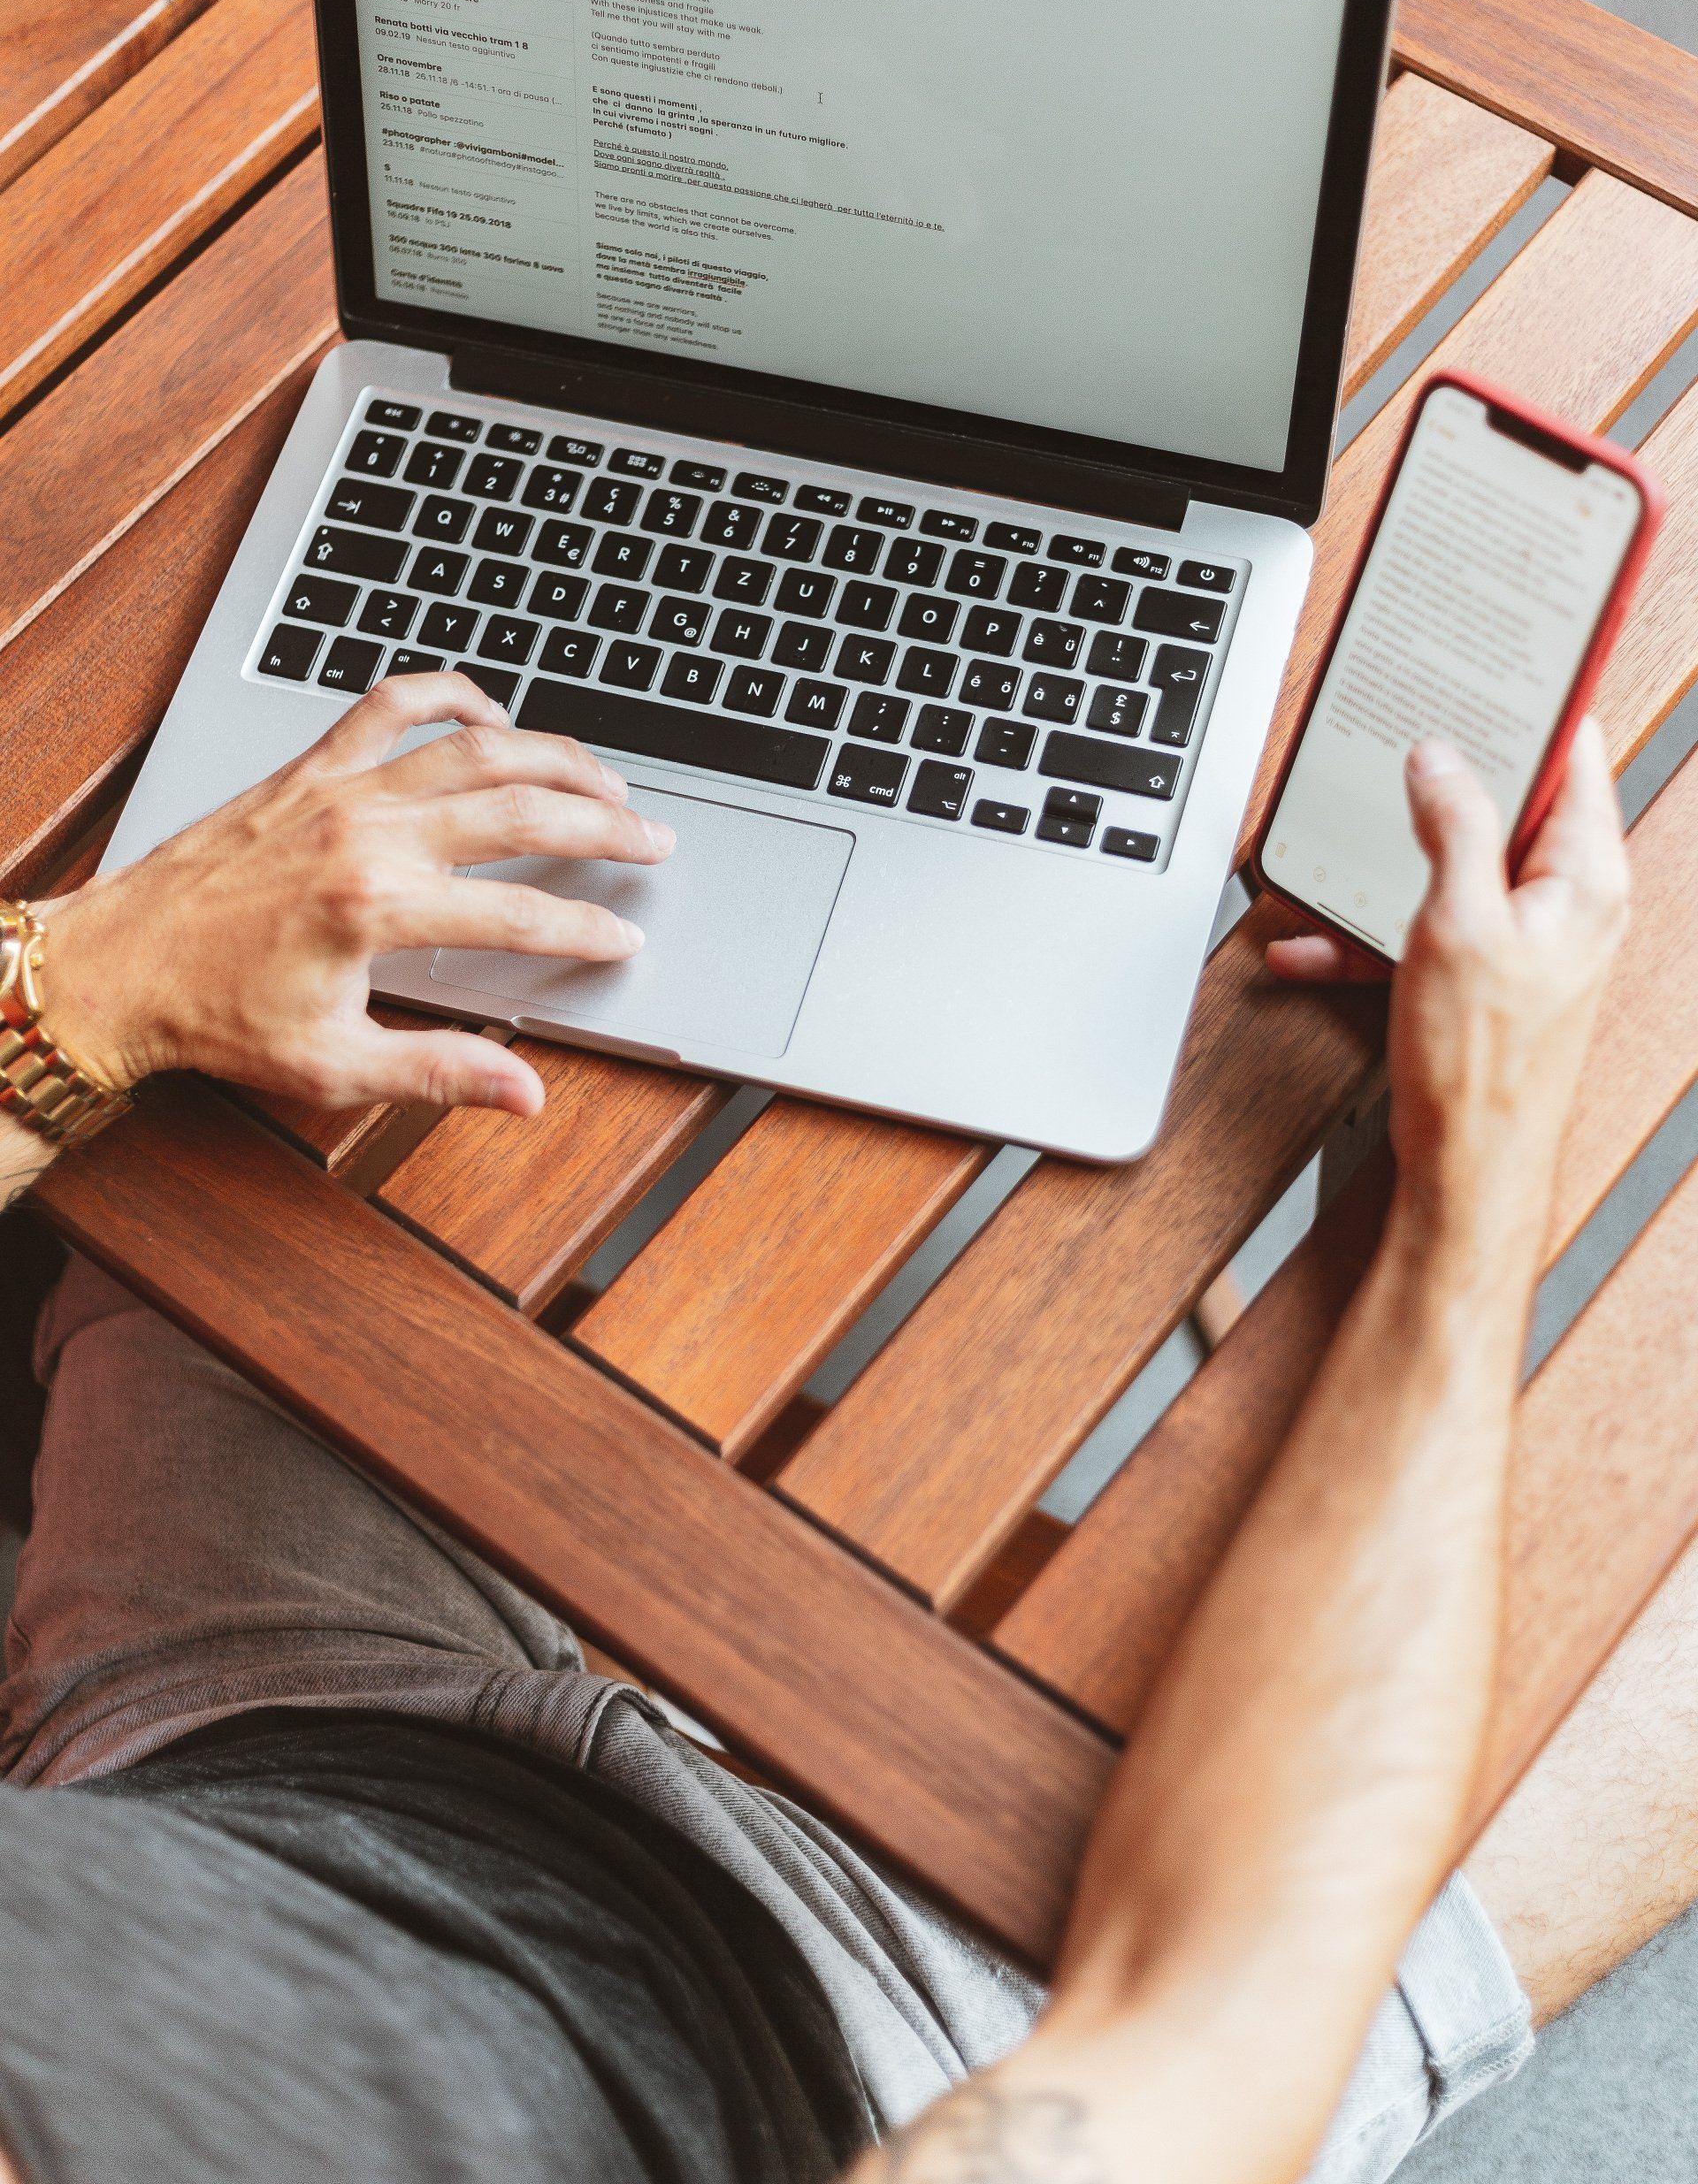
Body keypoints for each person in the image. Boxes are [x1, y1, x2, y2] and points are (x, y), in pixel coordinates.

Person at [0, 672, 1687, 2184]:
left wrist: (88, 985)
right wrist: (1462, 1196)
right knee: (1629, 1639)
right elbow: (1214, 2028)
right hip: (845, 2042)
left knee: (365, 1032)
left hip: (216, 1747)